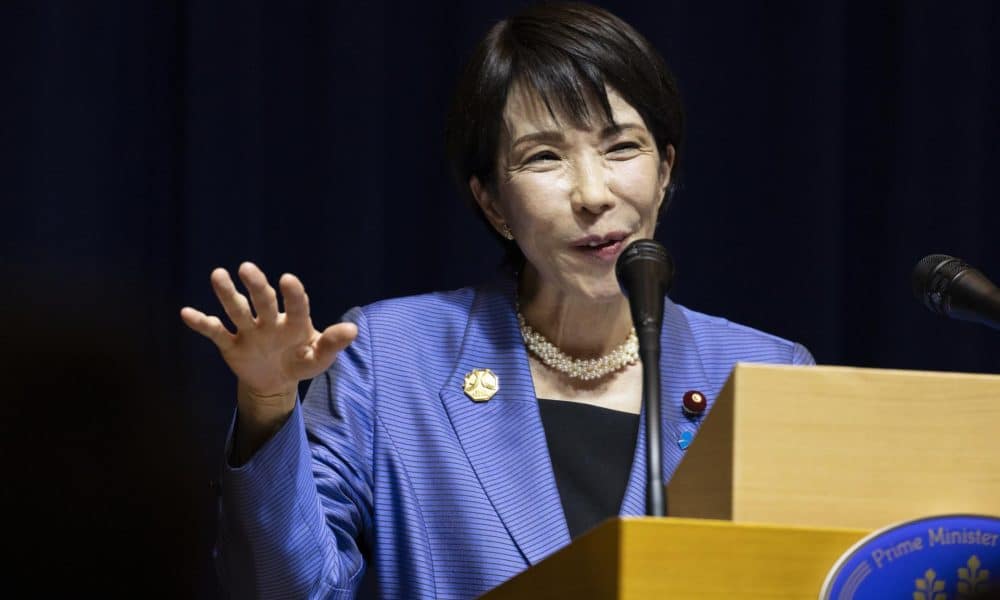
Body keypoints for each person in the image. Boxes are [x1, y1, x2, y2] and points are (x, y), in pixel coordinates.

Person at [180, 3, 814, 598]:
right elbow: (289, 589)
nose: (593, 193)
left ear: (665, 170)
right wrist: (267, 404)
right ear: (492, 204)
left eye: (622, 147)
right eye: (544, 157)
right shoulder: (391, 360)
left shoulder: (764, 375)